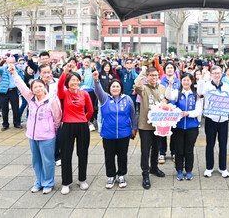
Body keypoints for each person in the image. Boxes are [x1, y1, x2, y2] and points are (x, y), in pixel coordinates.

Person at [10, 65, 61, 194]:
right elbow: (21, 85)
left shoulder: (52, 101)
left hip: (47, 136)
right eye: (35, 87)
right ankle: (39, 181)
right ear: (32, 89)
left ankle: (48, 182)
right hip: (32, 136)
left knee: (48, 160)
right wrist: (15, 73)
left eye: (40, 86)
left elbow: (57, 118)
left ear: (44, 87)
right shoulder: (31, 98)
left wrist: (52, 131)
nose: (38, 89)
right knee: (36, 161)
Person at [93, 71, 137, 189]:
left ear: (121, 88)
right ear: (109, 88)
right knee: (109, 156)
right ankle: (111, 176)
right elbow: (97, 90)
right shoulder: (104, 98)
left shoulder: (127, 99)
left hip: (124, 133)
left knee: (123, 155)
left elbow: (133, 115)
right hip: (108, 134)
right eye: (113, 86)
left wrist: (134, 128)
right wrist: (96, 80)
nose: (115, 88)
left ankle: (121, 175)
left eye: (118, 86)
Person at [58, 63, 94, 195]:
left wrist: (84, 120)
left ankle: (82, 179)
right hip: (67, 125)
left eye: (77, 80)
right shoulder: (64, 93)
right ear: (68, 82)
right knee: (66, 154)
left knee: (82, 153)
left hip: (82, 126)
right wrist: (65, 72)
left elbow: (90, 110)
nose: (75, 82)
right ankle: (66, 182)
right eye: (72, 80)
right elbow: (59, 86)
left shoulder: (84, 94)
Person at [198, 65, 229, 178]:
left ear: (222, 74)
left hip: (223, 119)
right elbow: (200, 92)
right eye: (214, 73)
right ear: (211, 74)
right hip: (210, 119)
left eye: (219, 73)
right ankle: (209, 167)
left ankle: (223, 168)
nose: (217, 75)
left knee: (223, 144)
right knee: (210, 144)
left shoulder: (227, 87)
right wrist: (202, 79)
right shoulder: (207, 86)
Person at [166, 73, 203, 180]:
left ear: (191, 82)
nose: (186, 82)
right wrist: (170, 85)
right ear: (181, 81)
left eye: (188, 80)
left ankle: (189, 170)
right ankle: (179, 170)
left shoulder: (195, 95)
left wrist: (188, 113)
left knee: (189, 150)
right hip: (178, 127)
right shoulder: (177, 93)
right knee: (179, 150)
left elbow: (198, 111)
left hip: (192, 127)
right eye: (184, 80)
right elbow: (168, 96)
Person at [135, 66, 166, 190]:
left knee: (156, 148)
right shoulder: (143, 88)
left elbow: (165, 101)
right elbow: (137, 85)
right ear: (147, 76)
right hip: (145, 125)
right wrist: (143, 72)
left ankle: (154, 167)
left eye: (156, 75)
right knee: (145, 150)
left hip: (158, 124)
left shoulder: (162, 88)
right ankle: (145, 174)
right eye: (151, 75)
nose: (154, 77)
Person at [0, 56, 25, 130]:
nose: (11, 64)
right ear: (6, 63)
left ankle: (17, 123)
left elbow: (22, 79)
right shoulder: (3, 69)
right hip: (4, 91)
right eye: (10, 62)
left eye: (12, 62)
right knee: (4, 109)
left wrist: (21, 90)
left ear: (15, 63)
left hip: (14, 91)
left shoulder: (18, 70)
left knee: (15, 108)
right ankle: (5, 124)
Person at [158, 62, 180, 164]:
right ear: (165, 70)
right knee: (163, 132)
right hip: (164, 110)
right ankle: (162, 153)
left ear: (174, 70)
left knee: (175, 133)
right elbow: (160, 95)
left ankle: (174, 152)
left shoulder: (179, 82)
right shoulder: (161, 82)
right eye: (168, 68)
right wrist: (164, 100)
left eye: (171, 68)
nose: (170, 69)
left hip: (175, 110)